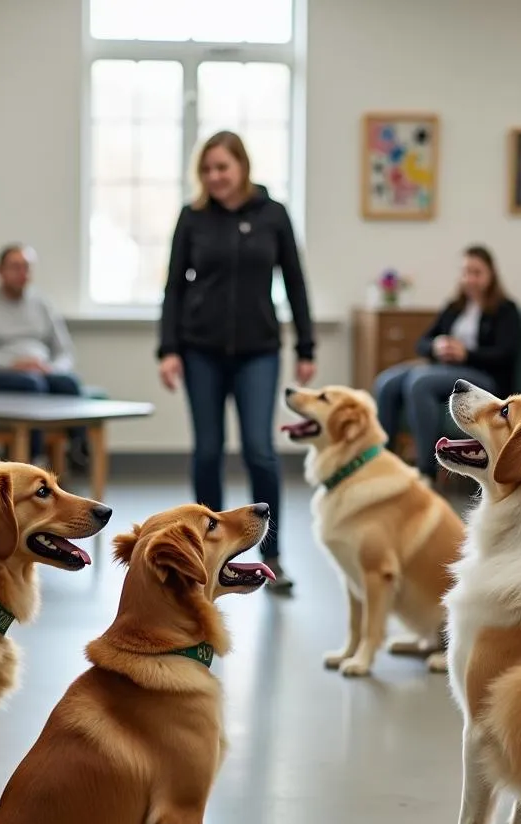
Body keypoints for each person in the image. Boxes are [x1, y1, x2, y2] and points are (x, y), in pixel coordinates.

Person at [158, 130, 315, 593]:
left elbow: (296, 282)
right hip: (200, 349)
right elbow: (173, 289)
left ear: (242, 167)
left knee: (259, 451)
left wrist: (306, 347)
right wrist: (168, 349)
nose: (215, 177)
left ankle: (274, 553)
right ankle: (209, 557)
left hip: (258, 352)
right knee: (207, 452)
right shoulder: (193, 218)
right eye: (207, 170)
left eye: (222, 167)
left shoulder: (274, 215)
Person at [374, 245, 521, 482]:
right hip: (445, 370)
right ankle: (382, 466)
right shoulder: (454, 307)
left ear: (490, 275)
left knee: (419, 383)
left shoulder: (506, 310)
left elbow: (506, 353)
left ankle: (426, 471)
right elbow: (422, 343)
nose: (470, 278)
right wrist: (437, 347)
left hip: (483, 375)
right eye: (466, 272)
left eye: (477, 272)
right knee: (386, 382)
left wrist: (466, 354)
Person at [0, 244, 86, 465]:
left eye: (27, 267)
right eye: (15, 267)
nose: (23, 273)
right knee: (32, 384)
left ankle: (79, 450)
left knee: (69, 383)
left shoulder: (43, 304)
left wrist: (51, 368)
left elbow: (65, 351)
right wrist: (14, 364)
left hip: (40, 372)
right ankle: (33, 458)